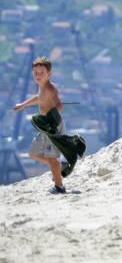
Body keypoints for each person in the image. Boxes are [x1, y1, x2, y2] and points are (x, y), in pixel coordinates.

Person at [13, 57, 81, 194]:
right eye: (35, 73)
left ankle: (59, 187)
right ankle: (61, 165)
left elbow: (60, 106)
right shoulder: (42, 87)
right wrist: (23, 105)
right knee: (33, 153)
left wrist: (50, 117)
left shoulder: (50, 89)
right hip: (45, 126)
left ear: (49, 74)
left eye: (41, 73)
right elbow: (39, 98)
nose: (38, 76)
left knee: (51, 157)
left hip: (53, 126)